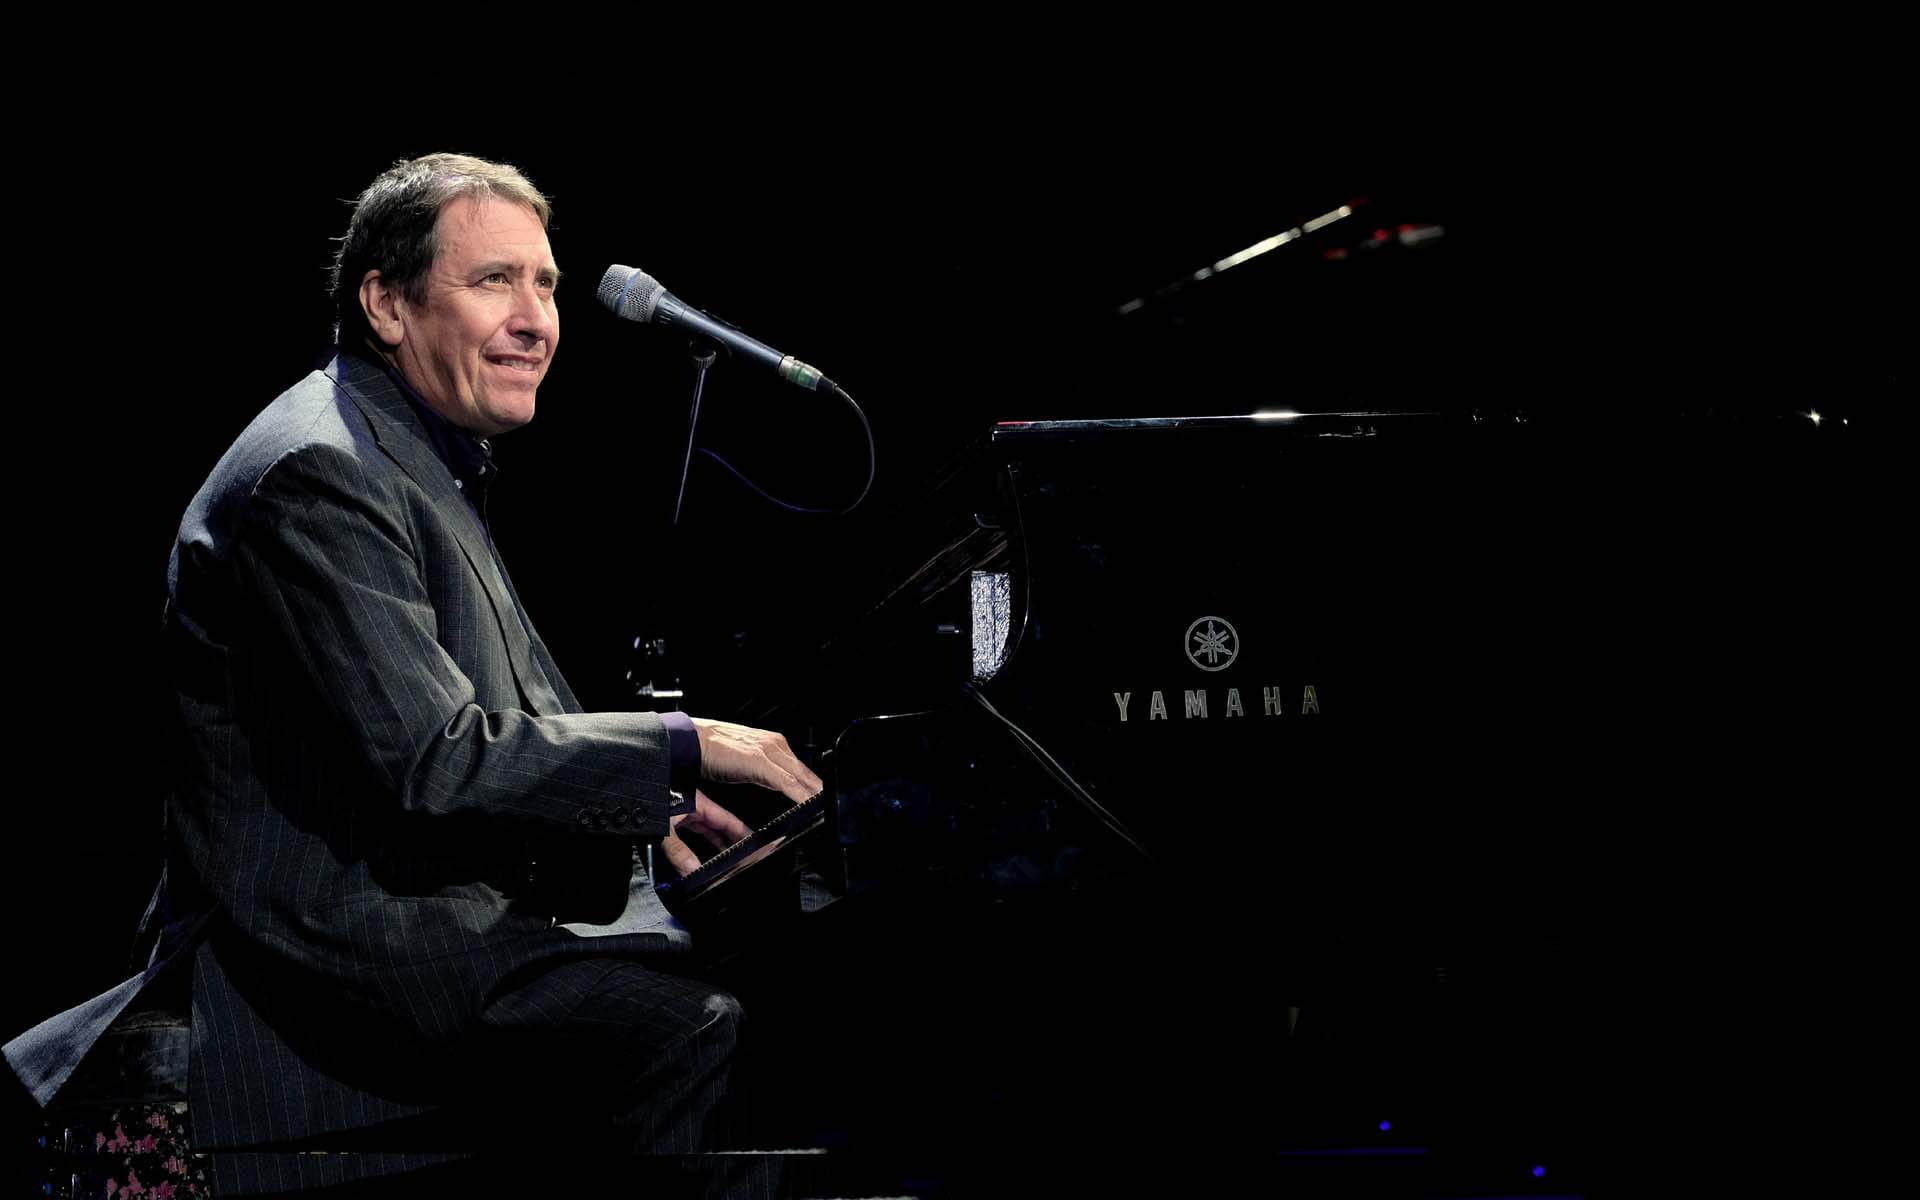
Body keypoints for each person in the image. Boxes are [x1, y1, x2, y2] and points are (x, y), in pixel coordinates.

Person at [7, 153, 821, 1195]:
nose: (538, 319)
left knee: (751, 980)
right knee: (691, 1027)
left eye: (548, 285)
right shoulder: (321, 470)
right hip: (327, 959)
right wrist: (689, 741)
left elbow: (506, 710)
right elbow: (434, 756)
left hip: (399, 925)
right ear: (387, 303)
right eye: (497, 281)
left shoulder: (405, 454)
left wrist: (651, 812)